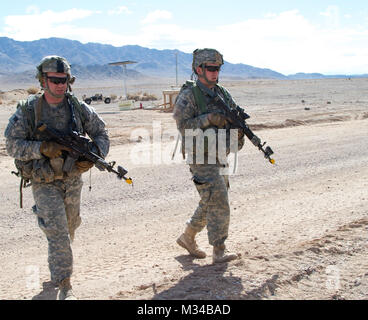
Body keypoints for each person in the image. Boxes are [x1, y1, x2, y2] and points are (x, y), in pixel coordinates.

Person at [4, 56, 110, 300]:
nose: (60, 85)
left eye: (64, 80)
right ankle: (65, 284)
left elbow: (102, 133)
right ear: (43, 80)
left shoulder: (78, 108)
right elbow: (11, 145)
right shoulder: (29, 110)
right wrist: (41, 149)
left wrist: (94, 154)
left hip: (73, 178)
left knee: (71, 225)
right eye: (54, 80)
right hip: (44, 181)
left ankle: (55, 247)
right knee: (59, 232)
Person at [173, 48, 245, 263]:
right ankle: (219, 249)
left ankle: (188, 236)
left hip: (220, 153)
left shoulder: (221, 93)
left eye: (217, 68)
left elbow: (233, 115)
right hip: (200, 156)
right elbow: (183, 126)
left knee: (211, 198)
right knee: (218, 199)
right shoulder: (189, 95)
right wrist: (210, 118)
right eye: (210, 68)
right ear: (199, 69)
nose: (215, 73)